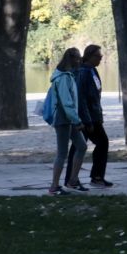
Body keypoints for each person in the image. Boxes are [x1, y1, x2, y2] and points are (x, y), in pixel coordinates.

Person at [46, 48, 86, 196]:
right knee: (62, 153)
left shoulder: (69, 75)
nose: (79, 61)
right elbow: (66, 102)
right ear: (71, 59)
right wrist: (77, 121)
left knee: (81, 146)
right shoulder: (62, 77)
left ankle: (73, 180)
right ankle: (54, 186)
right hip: (63, 119)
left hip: (69, 118)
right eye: (77, 58)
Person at [76, 44, 111, 187]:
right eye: (98, 56)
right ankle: (95, 177)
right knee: (102, 143)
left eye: (101, 57)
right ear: (90, 56)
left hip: (94, 116)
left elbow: (96, 95)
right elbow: (82, 98)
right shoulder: (84, 72)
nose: (101, 59)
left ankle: (94, 177)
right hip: (88, 118)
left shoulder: (92, 70)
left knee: (83, 146)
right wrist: (88, 120)